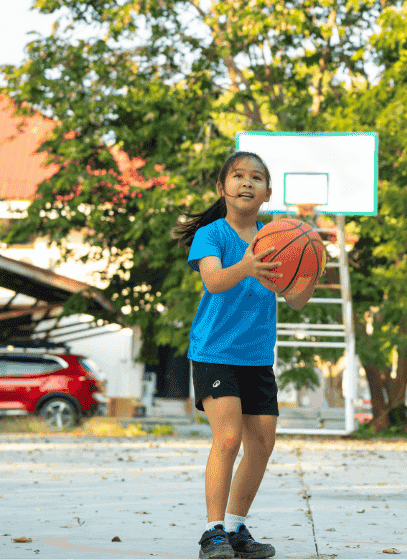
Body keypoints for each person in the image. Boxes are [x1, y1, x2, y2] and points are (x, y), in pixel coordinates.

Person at [174, 151, 318, 559]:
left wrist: (311, 268)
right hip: (214, 351)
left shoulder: (277, 238)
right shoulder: (214, 235)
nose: (246, 183)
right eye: (238, 176)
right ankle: (212, 532)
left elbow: (296, 300)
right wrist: (248, 265)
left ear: (267, 193)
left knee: (263, 443)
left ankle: (237, 529)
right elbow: (215, 280)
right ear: (222, 188)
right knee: (229, 437)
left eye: (256, 177)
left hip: (256, 357)